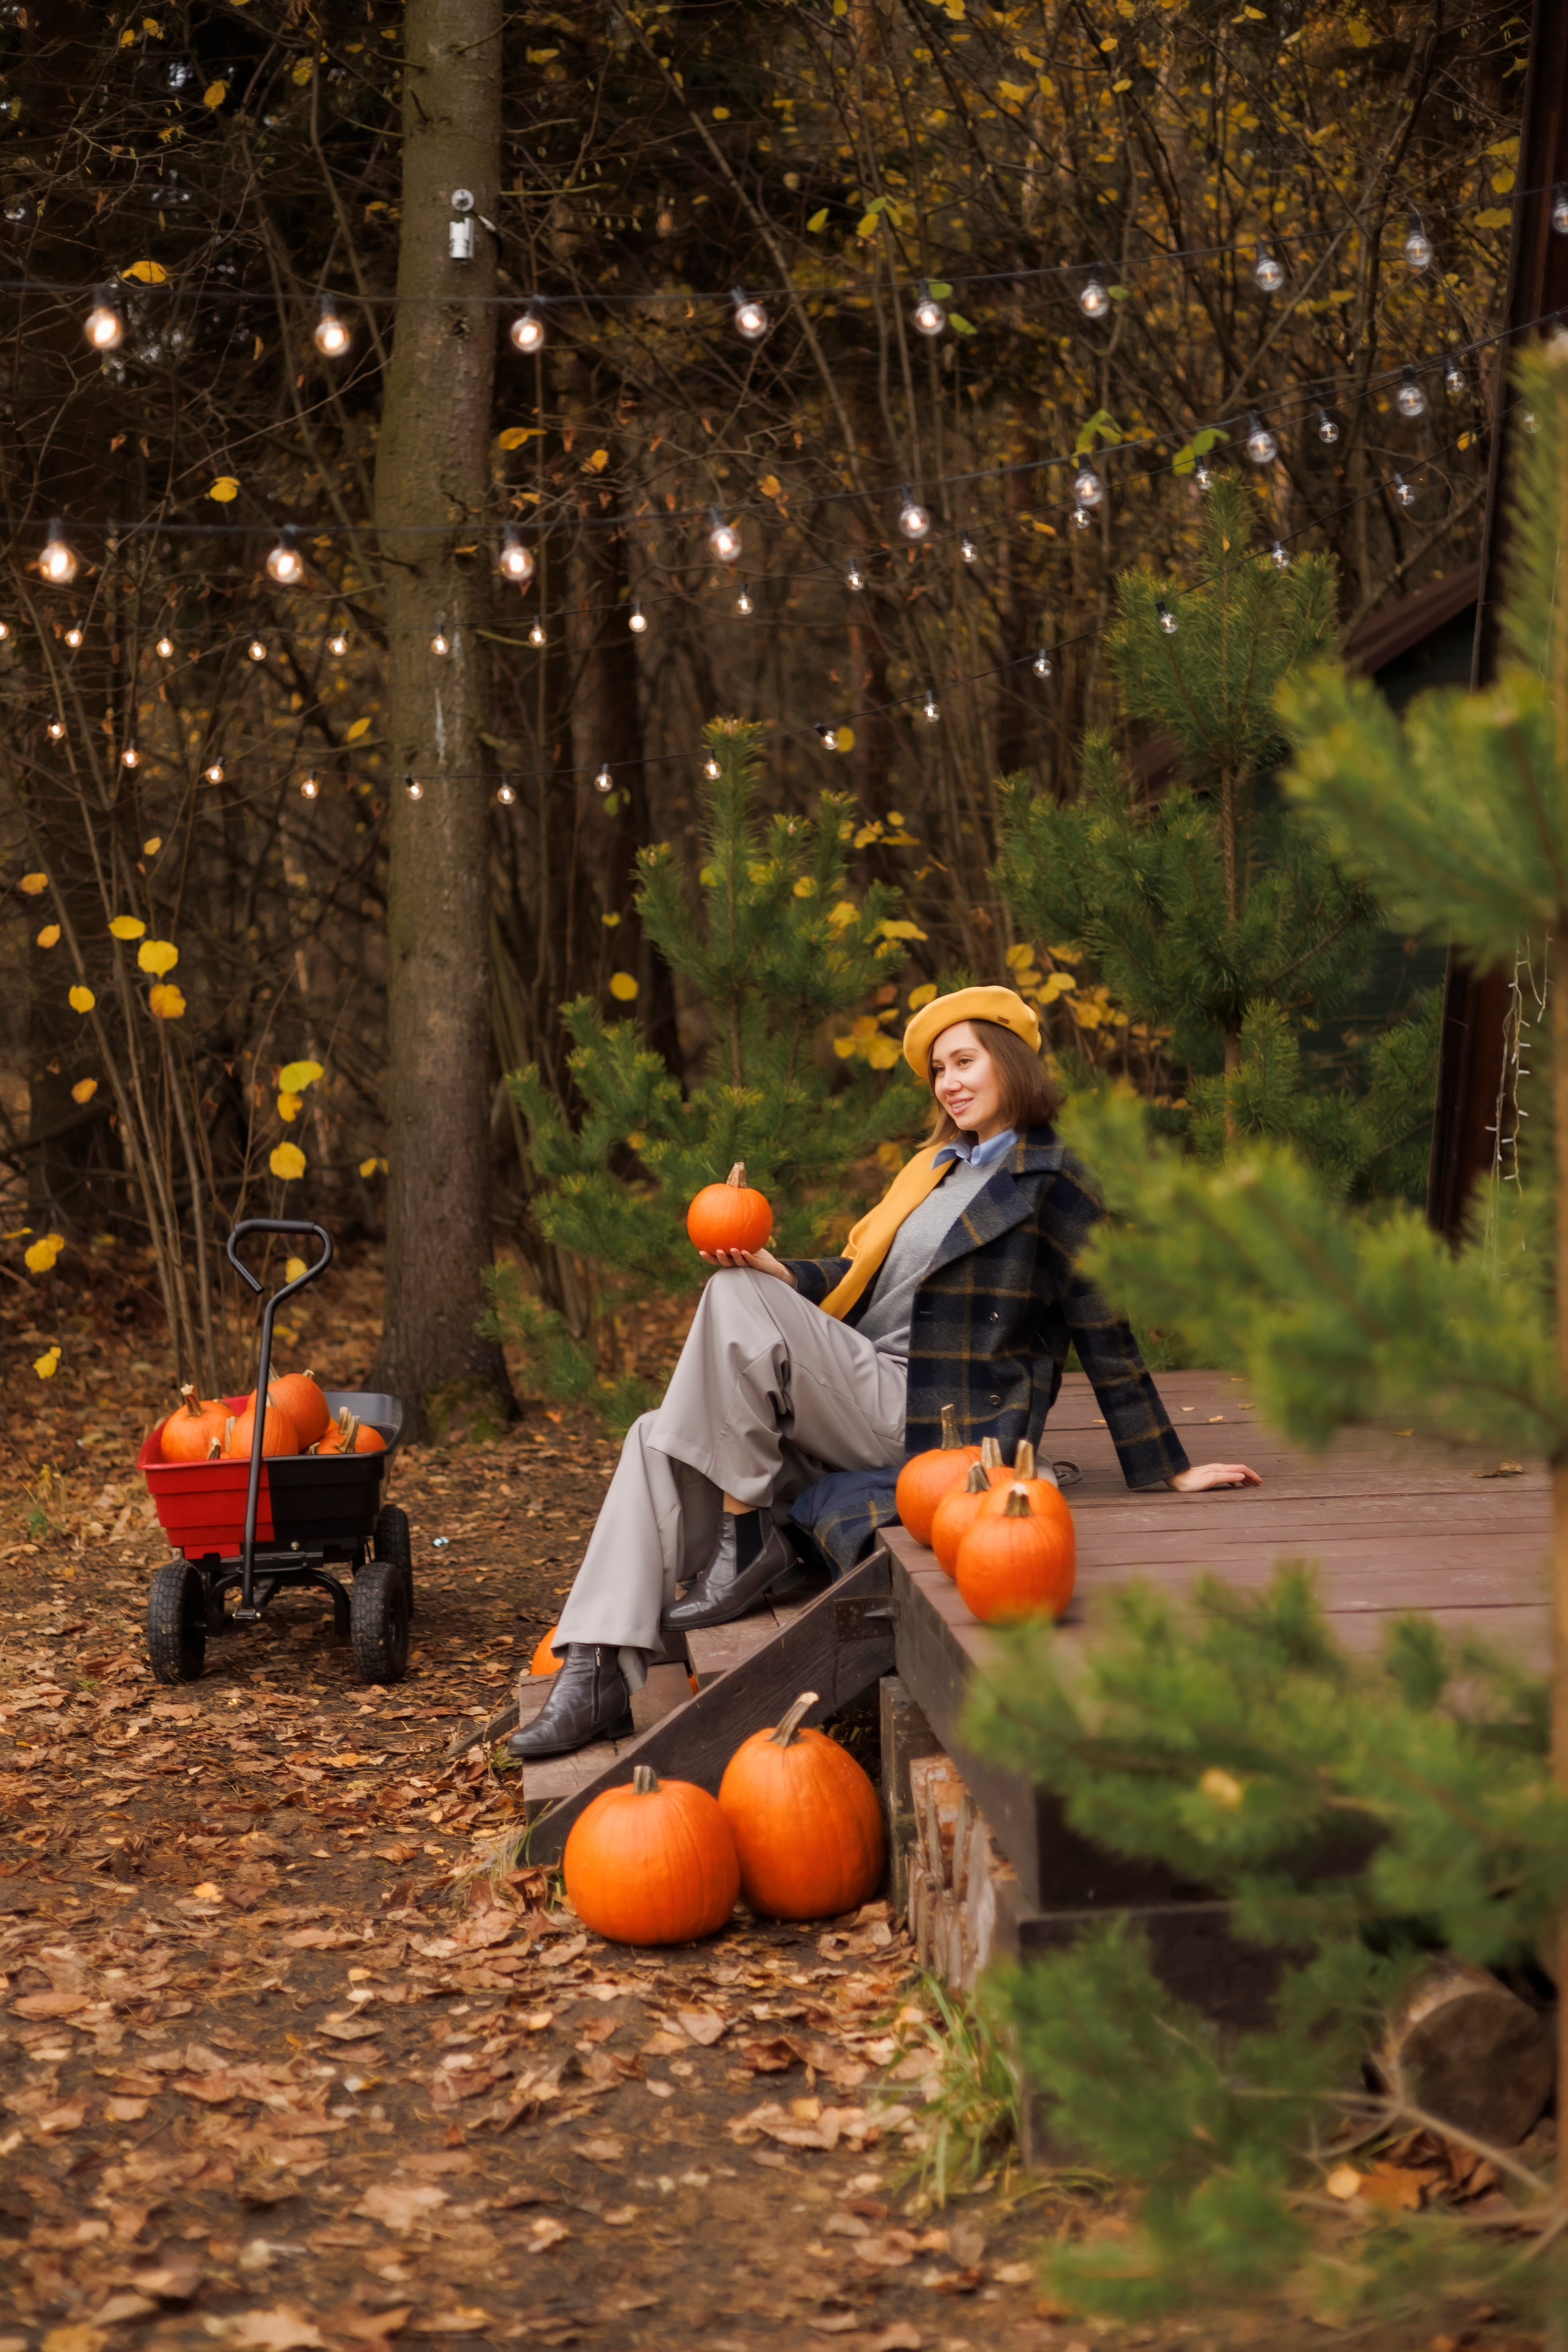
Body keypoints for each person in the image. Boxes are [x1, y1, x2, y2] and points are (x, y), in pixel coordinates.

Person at [511, 984, 1259, 1759]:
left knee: (730, 1299)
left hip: (939, 1419)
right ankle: (596, 1662)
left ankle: (743, 1537)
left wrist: (1165, 1467)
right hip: (865, 1386)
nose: (949, 1083)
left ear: (1010, 1063)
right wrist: (776, 1267)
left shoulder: (1055, 1181)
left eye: (965, 1061)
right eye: (939, 1070)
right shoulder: (932, 1171)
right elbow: (865, 1281)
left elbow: (1104, 1325)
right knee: (654, 1433)